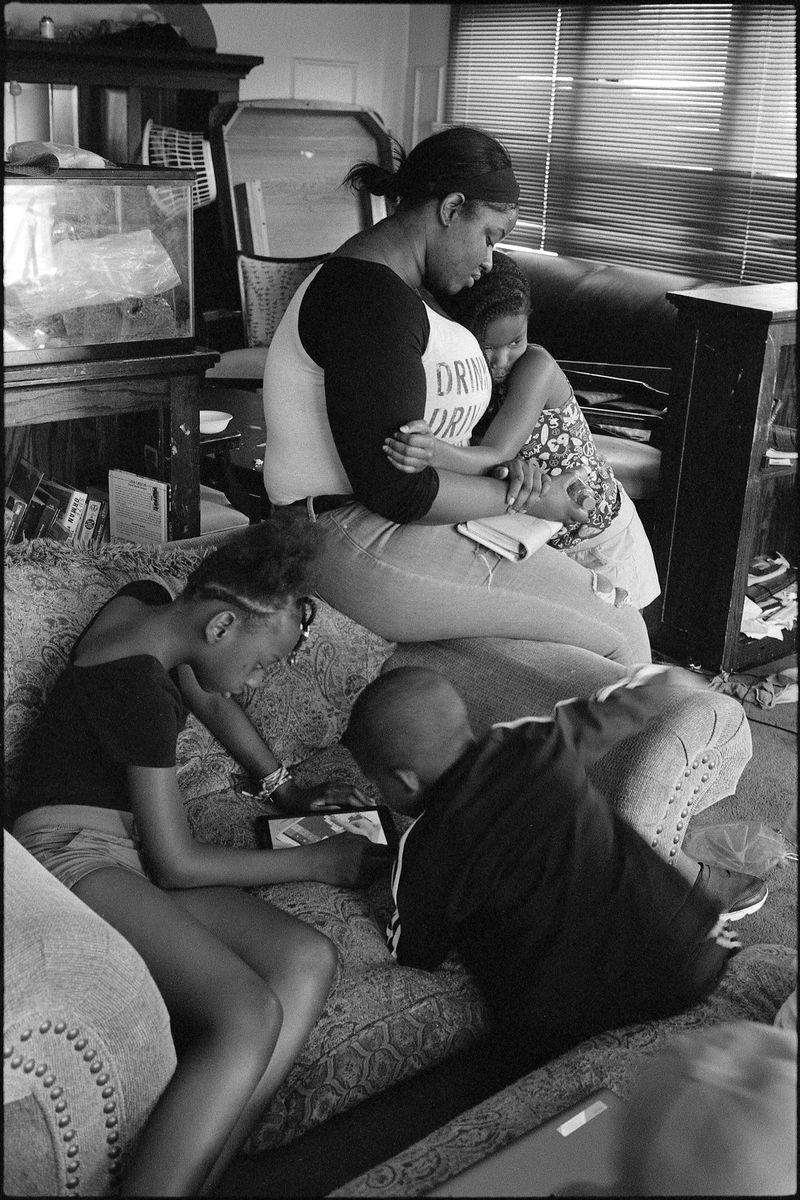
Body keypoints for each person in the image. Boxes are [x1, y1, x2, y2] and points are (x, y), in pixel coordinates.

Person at [11, 515, 388, 1197]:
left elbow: (208, 695)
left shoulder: (150, 606)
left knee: (306, 958)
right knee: (247, 1012)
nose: (250, 681)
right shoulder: (134, 689)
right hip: (67, 857)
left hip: (114, 850)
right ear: (219, 628)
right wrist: (317, 861)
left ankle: (199, 1172)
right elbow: (176, 865)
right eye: (260, 662)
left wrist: (285, 788)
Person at [261, 125, 650, 667]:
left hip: (390, 524)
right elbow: (399, 490)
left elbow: (429, 432)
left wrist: (500, 470)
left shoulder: (402, 285)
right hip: (356, 534)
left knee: (581, 641)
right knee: (620, 629)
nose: (491, 261)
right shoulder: (368, 299)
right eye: (490, 236)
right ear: (451, 208)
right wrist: (533, 498)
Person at [343, 665, 769, 1071]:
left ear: (404, 780)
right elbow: (610, 711)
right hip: (688, 946)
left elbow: (415, 951)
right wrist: (660, 683)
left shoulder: (421, 850)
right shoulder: (531, 742)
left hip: (575, 1017)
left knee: (509, 1051)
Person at [382, 250, 661, 610]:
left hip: (602, 542)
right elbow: (497, 464)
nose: (502, 361)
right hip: (540, 544)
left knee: (623, 647)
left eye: (515, 341)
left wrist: (432, 451)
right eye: (487, 347)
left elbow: (495, 453)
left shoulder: (536, 367)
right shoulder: (464, 381)